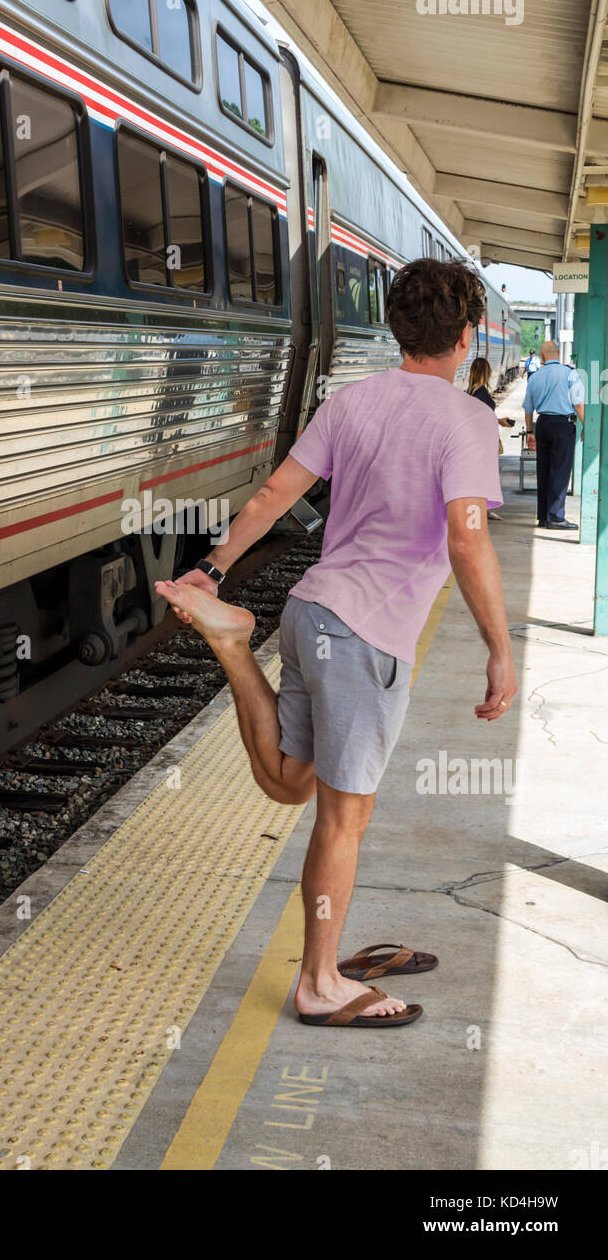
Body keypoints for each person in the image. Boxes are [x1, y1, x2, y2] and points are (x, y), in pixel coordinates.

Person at [155, 259, 517, 1030]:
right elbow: (467, 534)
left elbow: (273, 494)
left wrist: (214, 568)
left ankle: (233, 644)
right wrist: (499, 646)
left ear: (395, 329)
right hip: (366, 636)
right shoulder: (467, 419)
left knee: (291, 783)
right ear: (463, 337)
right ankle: (320, 980)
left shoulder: (352, 401)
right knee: (342, 819)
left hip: (312, 612)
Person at [523, 341, 585, 530]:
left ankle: (543, 516)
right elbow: (578, 403)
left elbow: (528, 408)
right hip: (562, 425)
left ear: (541, 356)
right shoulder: (569, 373)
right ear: (558, 353)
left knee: (544, 470)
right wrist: (586, 426)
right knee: (560, 470)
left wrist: (530, 431)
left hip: (542, 424)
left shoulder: (535, 376)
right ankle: (556, 517)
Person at [466, 357, 514, 520]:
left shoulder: (470, 392)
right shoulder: (481, 393)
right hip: (483, 441)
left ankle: (484, 509)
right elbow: (482, 418)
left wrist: (498, 420)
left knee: (479, 475)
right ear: (485, 373)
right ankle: (483, 510)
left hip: (475, 439)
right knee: (485, 476)